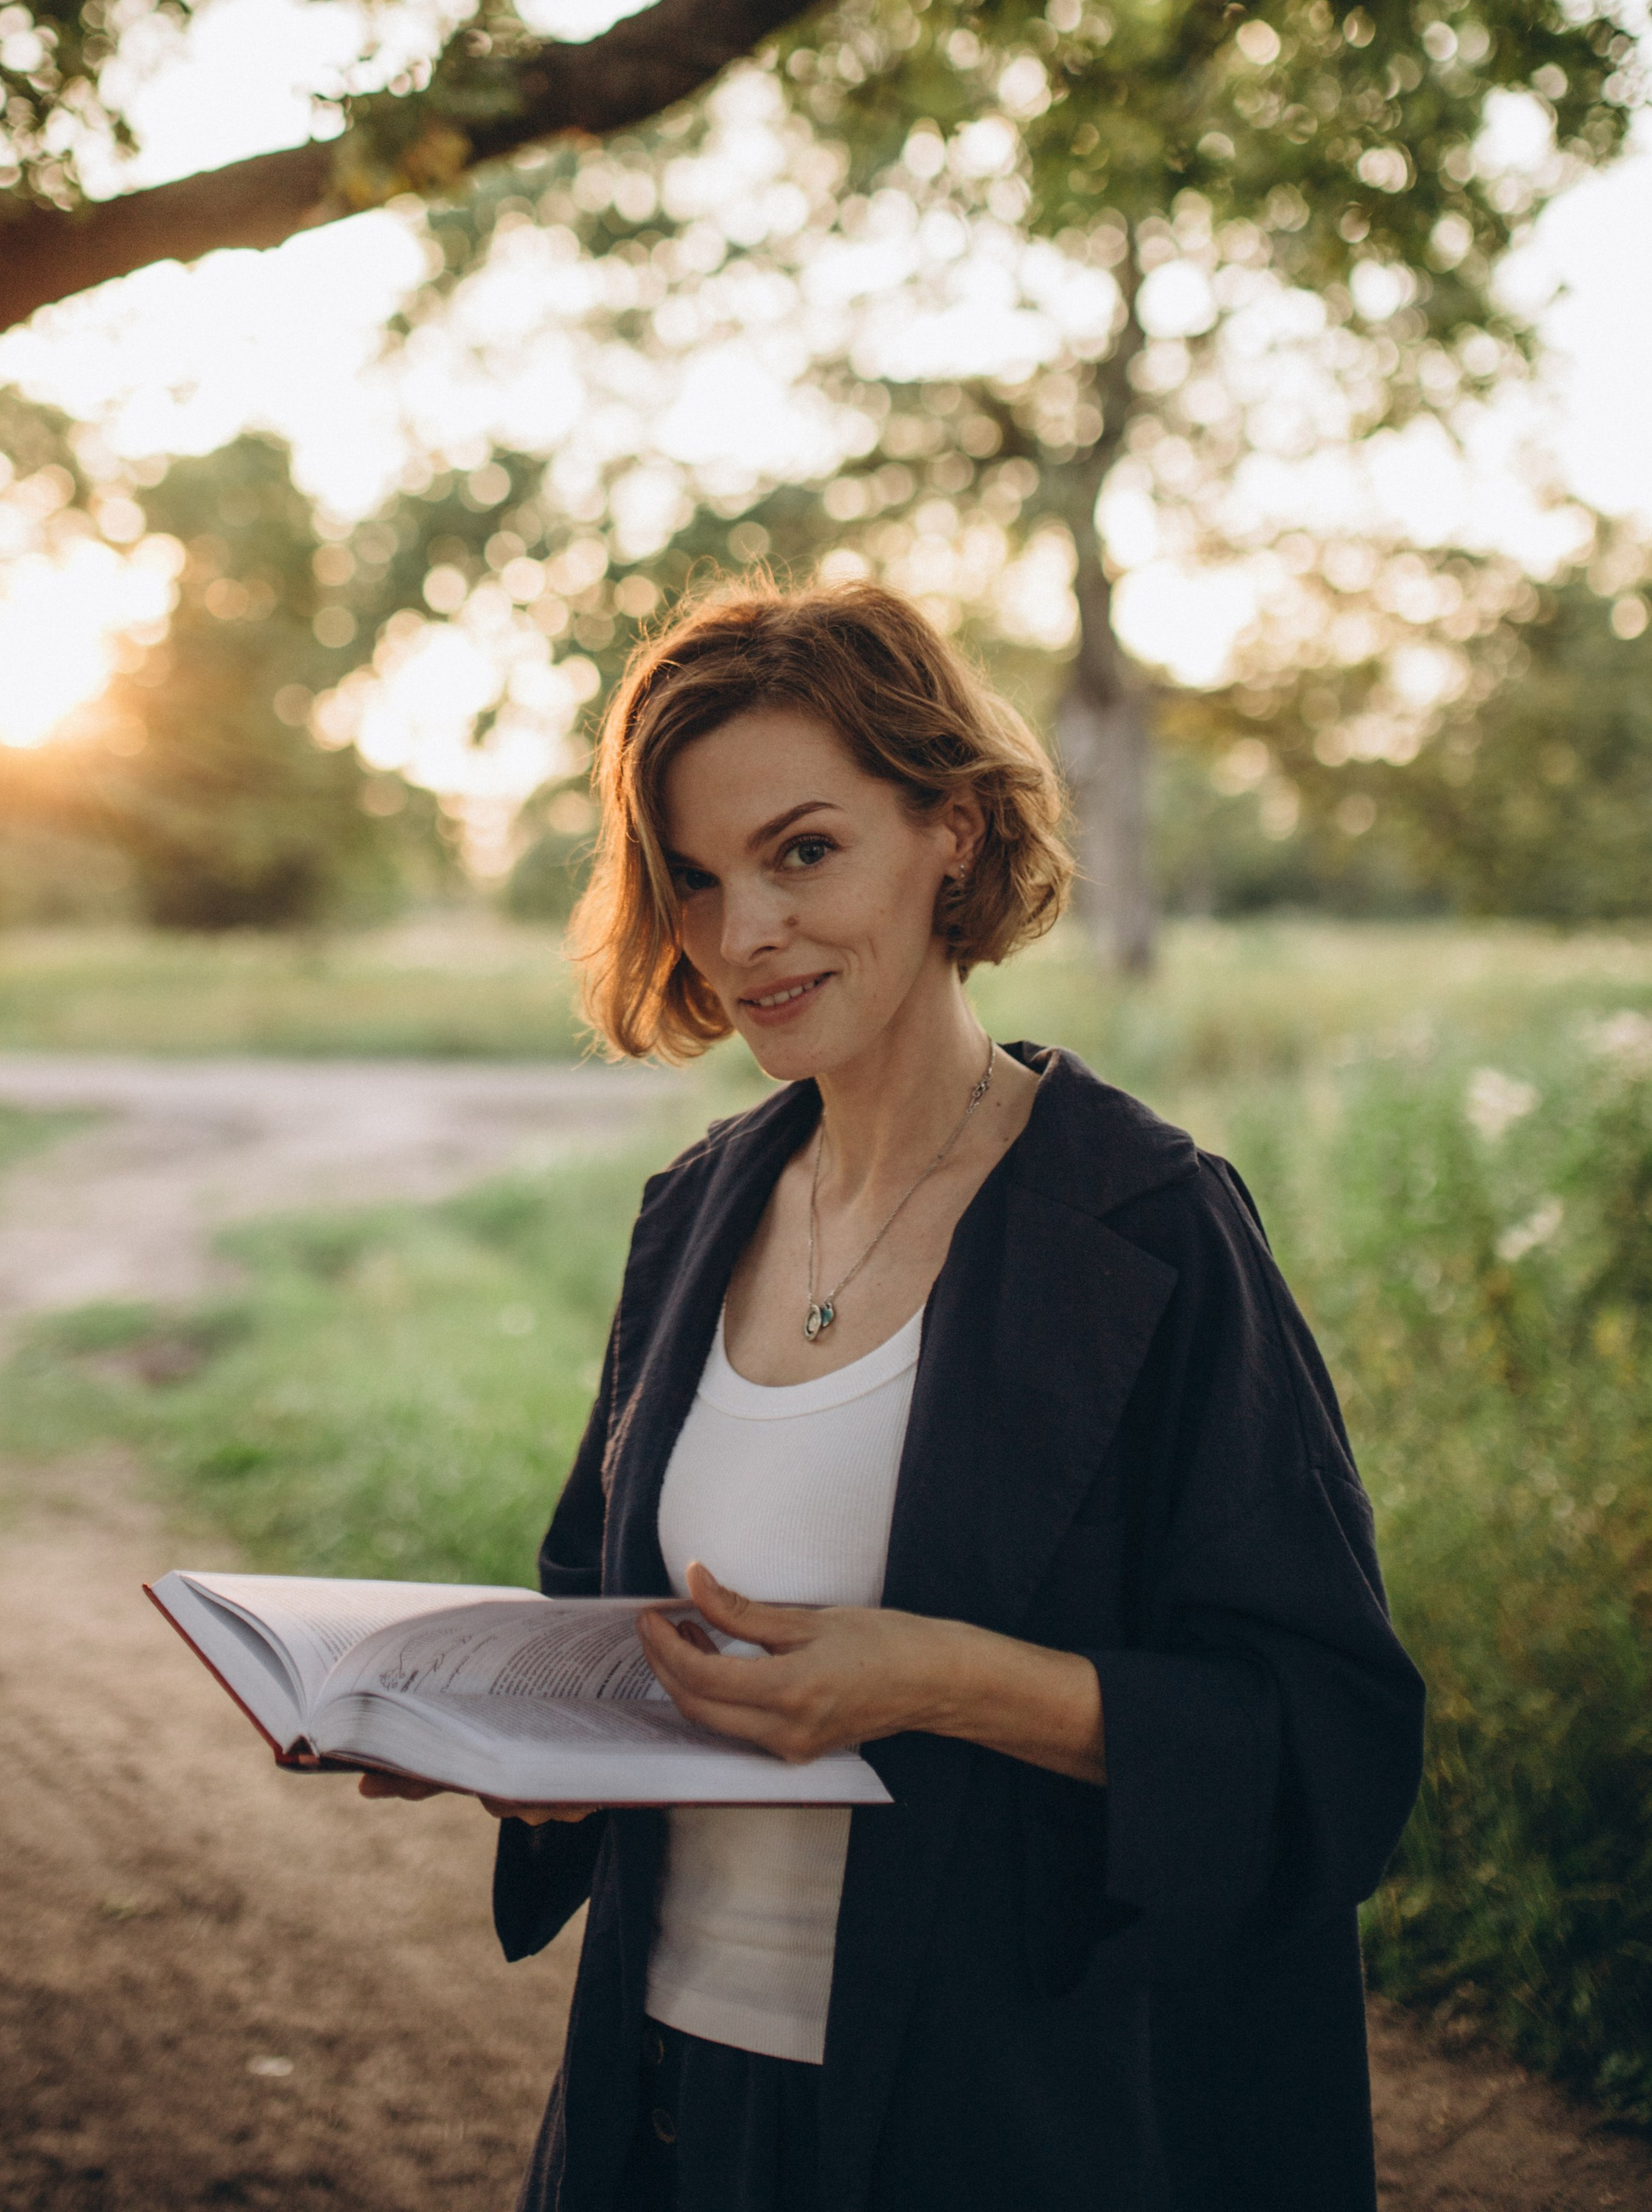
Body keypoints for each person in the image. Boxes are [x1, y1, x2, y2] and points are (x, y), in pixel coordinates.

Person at [360, 577, 1424, 2212]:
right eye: (695, 882)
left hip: (1003, 2121)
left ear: (948, 829)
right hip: (663, 2098)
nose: (743, 937)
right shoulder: (694, 1210)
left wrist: (937, 1680)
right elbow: (605, 1616)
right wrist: (516, 1736)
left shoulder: (1150, 1228)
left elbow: (1320, 1744)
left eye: (801, 852)